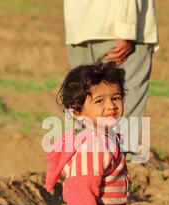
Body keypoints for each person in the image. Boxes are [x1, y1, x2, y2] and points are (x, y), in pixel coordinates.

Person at [45, 62, 130, 205]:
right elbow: (79, 190)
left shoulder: (101, 138)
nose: (111, 105)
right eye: (100, 100)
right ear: (76, 111)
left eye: (116, 98)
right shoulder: (94, 145)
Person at [63, 0, 159, 154]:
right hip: (119, 27)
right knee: (124, 122)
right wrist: (127, 30)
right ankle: (116, 171)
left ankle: (83, 170)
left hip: (78, 25)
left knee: (83, 109)